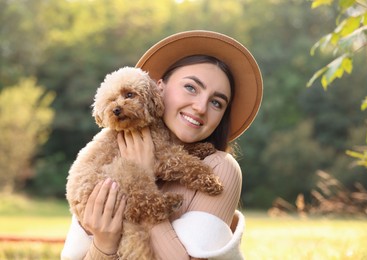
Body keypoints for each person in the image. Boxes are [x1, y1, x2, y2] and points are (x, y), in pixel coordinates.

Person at [61, 30, 263, 260]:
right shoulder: (114, 149)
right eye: (190, 87)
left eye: (216, 102)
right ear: (159, 89)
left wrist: (144, 177)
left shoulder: (221, 168)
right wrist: (104, 243)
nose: (200, 107)